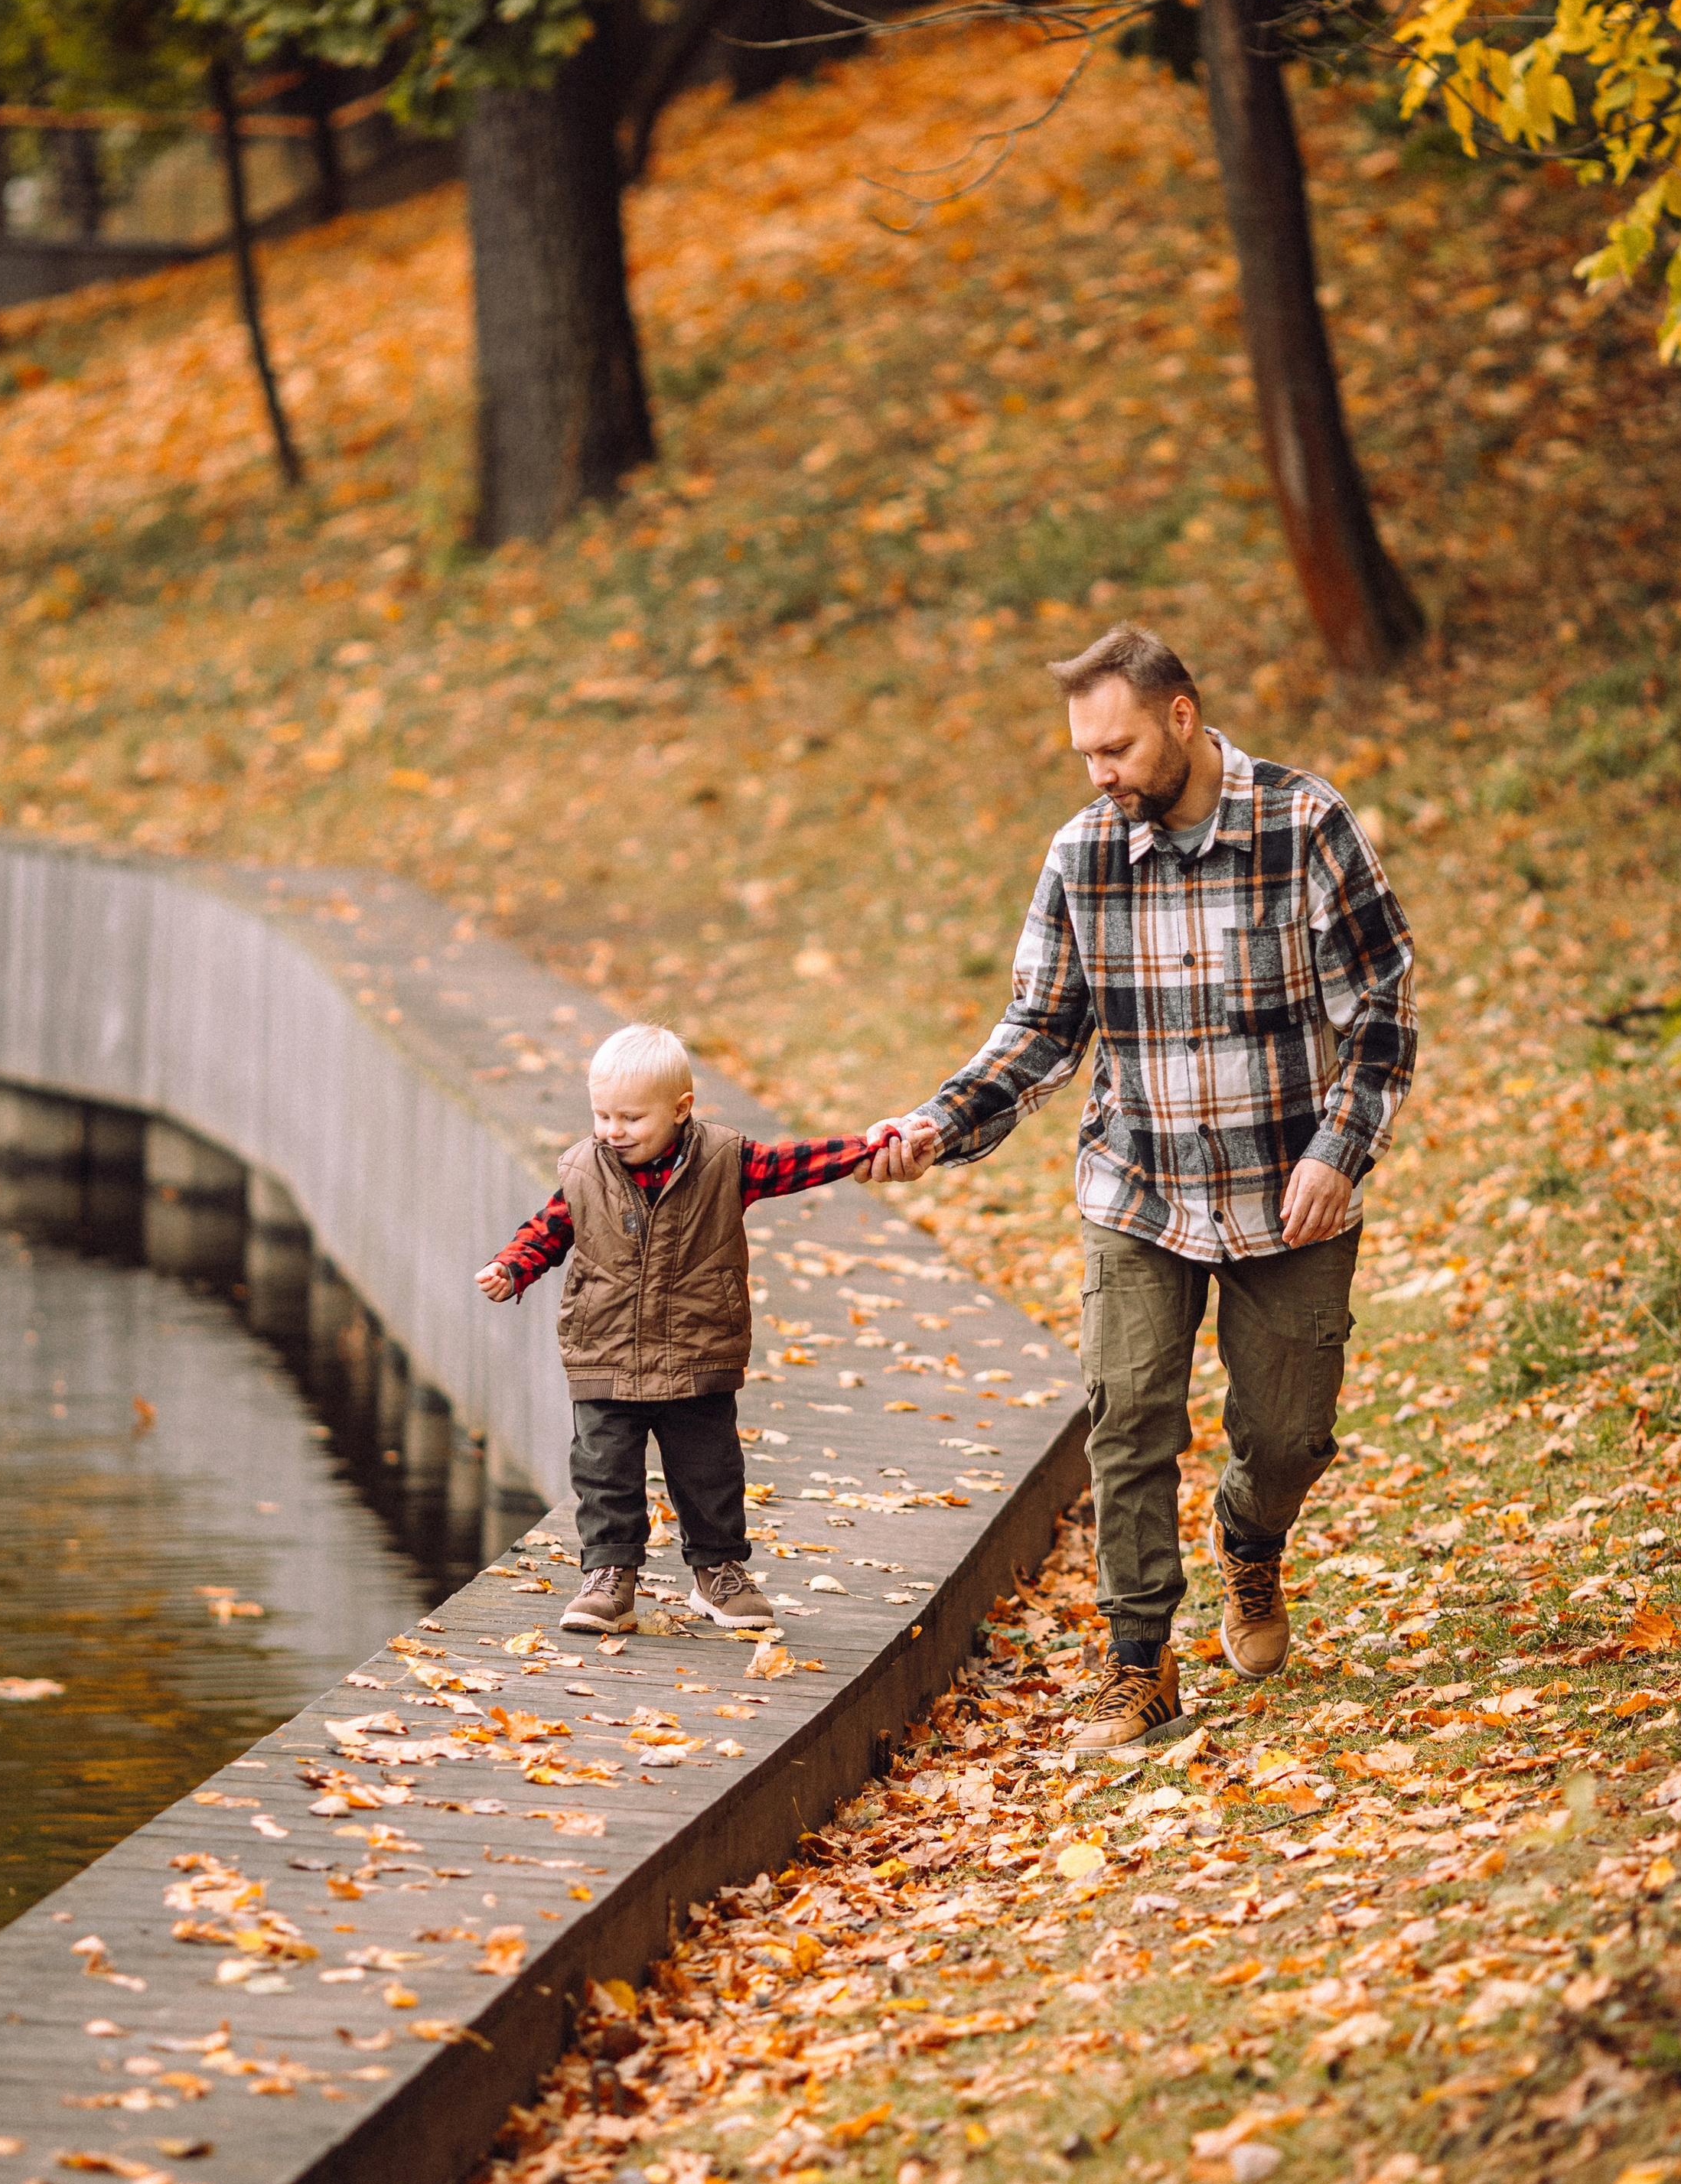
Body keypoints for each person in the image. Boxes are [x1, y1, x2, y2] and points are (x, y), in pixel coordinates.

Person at [870, 623, 1415, 1746]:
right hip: (1139, 1187)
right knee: (1127, 1418)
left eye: (1114, 749)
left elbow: (1383, 1007)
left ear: (1182, 715)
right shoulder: (1084, 853)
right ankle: (1139, 1663)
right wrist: (939, 1120)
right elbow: (1043, 1025)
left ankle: (1250, 1540)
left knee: (1290, 1438)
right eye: (1084, 754)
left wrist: (1338, 1151)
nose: (1099, 774)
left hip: (1288, 1191)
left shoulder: (1304, 824)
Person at [478, 1022, 937, 1636]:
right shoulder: (586, 1171)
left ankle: (718, 1572)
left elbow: (797, 1163)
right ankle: (610, 1577)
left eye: (631, 1118)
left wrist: (867, 1147)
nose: (613, 1132)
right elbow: (548, 1230)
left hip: (697, 1349)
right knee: (604, 1470)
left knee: (709, 1470)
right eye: (602, 1116)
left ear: (680, 1109)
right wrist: (513, 1267)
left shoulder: (726, 1161)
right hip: (605, 1350)